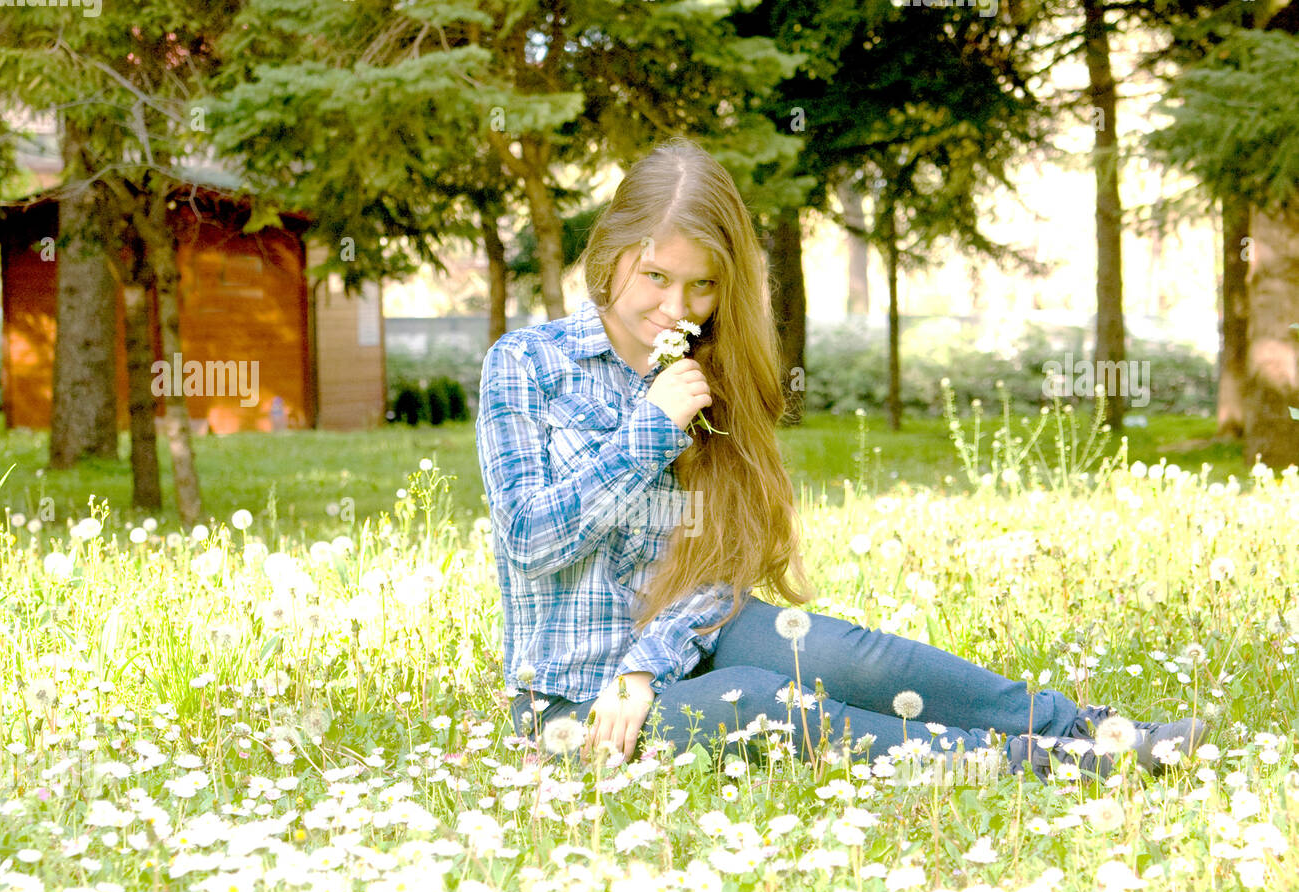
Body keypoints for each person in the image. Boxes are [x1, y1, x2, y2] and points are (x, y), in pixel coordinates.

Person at [475, 138, 1207, 782]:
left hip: (681, 641)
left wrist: (647, 664)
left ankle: (1082, 728)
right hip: (573, 703)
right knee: (759, 704)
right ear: (611, 254)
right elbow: (531, 540)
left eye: (702, 285)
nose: (678, 306)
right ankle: (1048, 767)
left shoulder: (711, 373)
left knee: (854, 657)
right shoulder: (528, 366)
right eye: (657, 277)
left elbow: (716, 564)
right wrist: (650, 428)